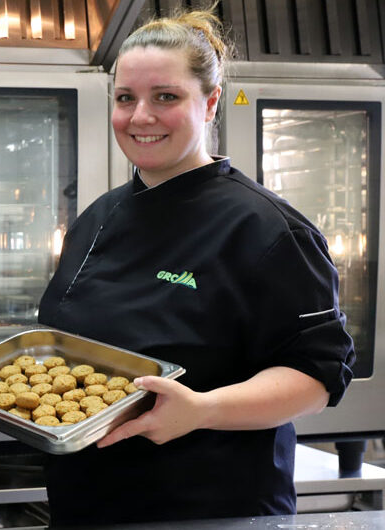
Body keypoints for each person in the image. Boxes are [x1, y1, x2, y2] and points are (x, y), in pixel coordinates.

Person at [35, 8, 355, 525]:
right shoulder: (99, 216)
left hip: (212, 509)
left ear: (209, 104)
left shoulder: (268, 229)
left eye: (166, 97)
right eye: (125, 98)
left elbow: (316, 376)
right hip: (87, 502)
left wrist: (202, 410)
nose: (140, 116)